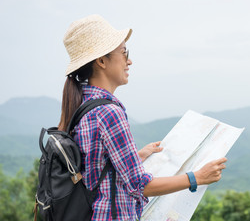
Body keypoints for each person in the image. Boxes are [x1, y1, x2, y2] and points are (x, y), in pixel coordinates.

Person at [58, 14, 227, 221]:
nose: (129, 61)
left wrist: (135, 157)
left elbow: (93, 170)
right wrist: (197, 177)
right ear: (101, 61)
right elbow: (141, 185)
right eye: (123, 52)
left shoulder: (80, 103)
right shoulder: (109, 112)